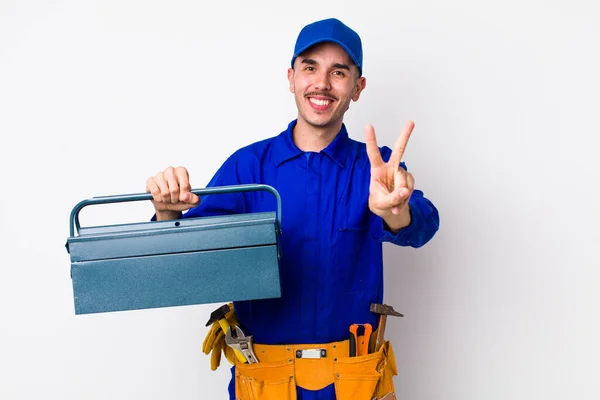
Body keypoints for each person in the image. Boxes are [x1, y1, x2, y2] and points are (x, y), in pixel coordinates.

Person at [146, 18, 439, 400]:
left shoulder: (376, 169)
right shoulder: (248, 167)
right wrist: (168, 215)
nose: (322, 83)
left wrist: (395, 212)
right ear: (291, 77)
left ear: (357, 87)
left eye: (339, 72)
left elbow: (424, 223)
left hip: (354, 380)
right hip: (266, 381)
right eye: (310, 68)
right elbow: (185, 262)